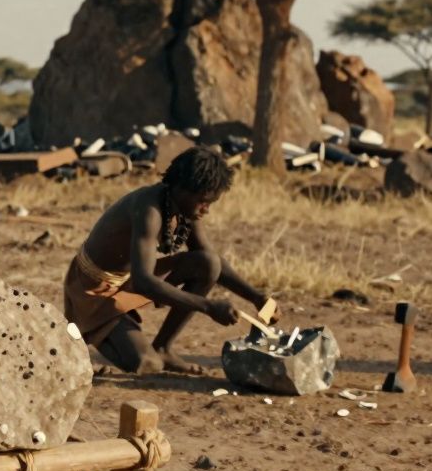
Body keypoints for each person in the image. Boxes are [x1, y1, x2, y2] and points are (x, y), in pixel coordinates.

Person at [63, 145, 279, 375]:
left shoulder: (183, 208)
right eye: (203, 201)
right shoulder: (149, 210)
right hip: (94, 290)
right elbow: (144, 281)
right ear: (183, 189)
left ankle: (164, 346)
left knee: (208, 263)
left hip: (129, 278)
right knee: (148, 364)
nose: (206, 209)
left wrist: (257, 297)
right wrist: (208, 306)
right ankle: (95, 339)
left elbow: (212, 261)